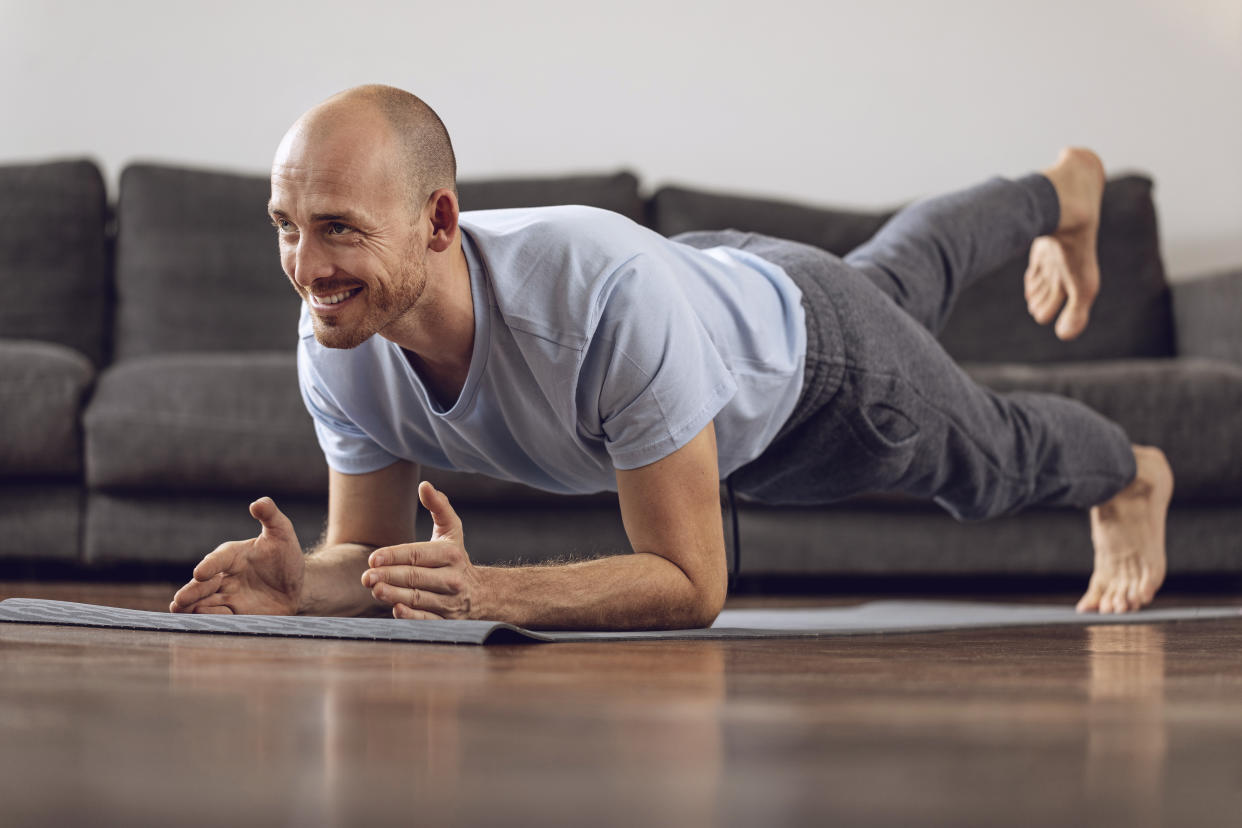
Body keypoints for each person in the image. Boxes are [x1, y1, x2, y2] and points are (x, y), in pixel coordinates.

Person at [170, 85, 1173, 629]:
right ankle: (1058, 189)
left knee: (986, 460)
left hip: (821, 382)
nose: (305, 266)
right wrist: (308, 586)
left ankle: (1132, 474)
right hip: (717, 285)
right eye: (286, 226)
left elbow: (692, 585)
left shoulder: (597, 302)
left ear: (437, 222)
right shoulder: (337, 337)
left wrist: (494, 593)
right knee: (895, 280)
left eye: (338, 228)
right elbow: (370, 556)